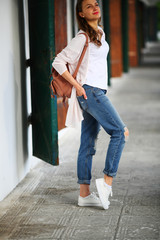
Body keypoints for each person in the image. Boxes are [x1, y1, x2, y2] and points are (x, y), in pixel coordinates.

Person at [52, 0, 129, 210]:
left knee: (87, 143)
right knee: (120, 132)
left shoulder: (101, 34)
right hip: (90, 92)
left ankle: (84, 195)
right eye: (88, 6)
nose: (95, 7)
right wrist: (77, 85)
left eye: (96, 4)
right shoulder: (81, 38)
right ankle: (106, 182)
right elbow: (58, 61)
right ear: (81, 14)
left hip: (96, 91)